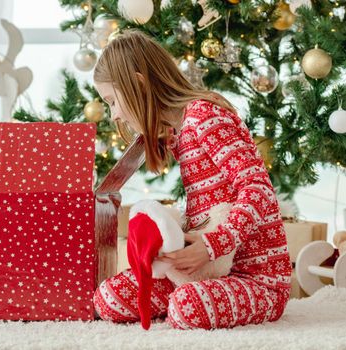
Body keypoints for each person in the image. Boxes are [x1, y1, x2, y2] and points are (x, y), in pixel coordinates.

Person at [92, 30, 291, 330]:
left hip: (256, 280)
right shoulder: (177, 132)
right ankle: (186, 290)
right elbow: (206, 210)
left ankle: (192, 295)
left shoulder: (205, 116)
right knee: (108, 298)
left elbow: (257, 190)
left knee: (186, 306)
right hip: (207, 273)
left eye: (112, 101)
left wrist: (211, 246)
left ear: (138, 84)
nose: (114, 114)